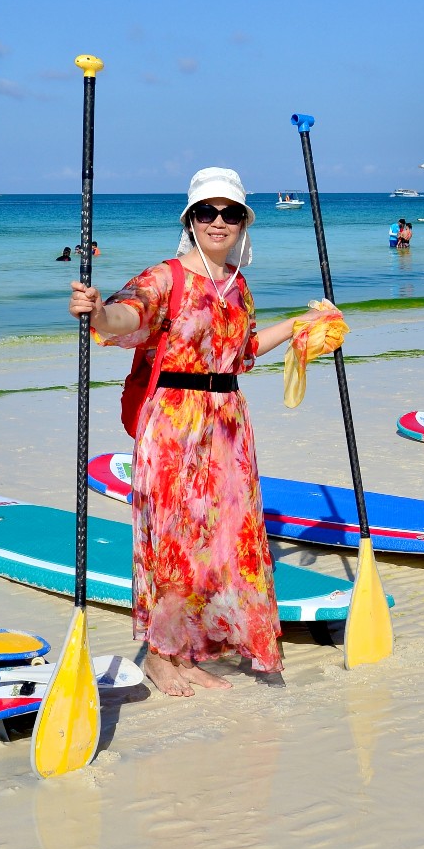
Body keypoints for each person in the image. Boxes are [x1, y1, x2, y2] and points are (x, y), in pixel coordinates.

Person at [68, 168, 330, 697]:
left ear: (242, 224)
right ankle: (162, 657)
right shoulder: (167, 276)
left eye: (229, 213)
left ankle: (187, 651)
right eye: (206, 212)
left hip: (228, 422)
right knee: (172, 540)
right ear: (190, 219)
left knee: (220, 538)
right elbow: (127, 315)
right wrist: (99, 310)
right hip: (173, 422)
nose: (218, 221)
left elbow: (246, 350)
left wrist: (304, 324)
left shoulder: (238, 285)